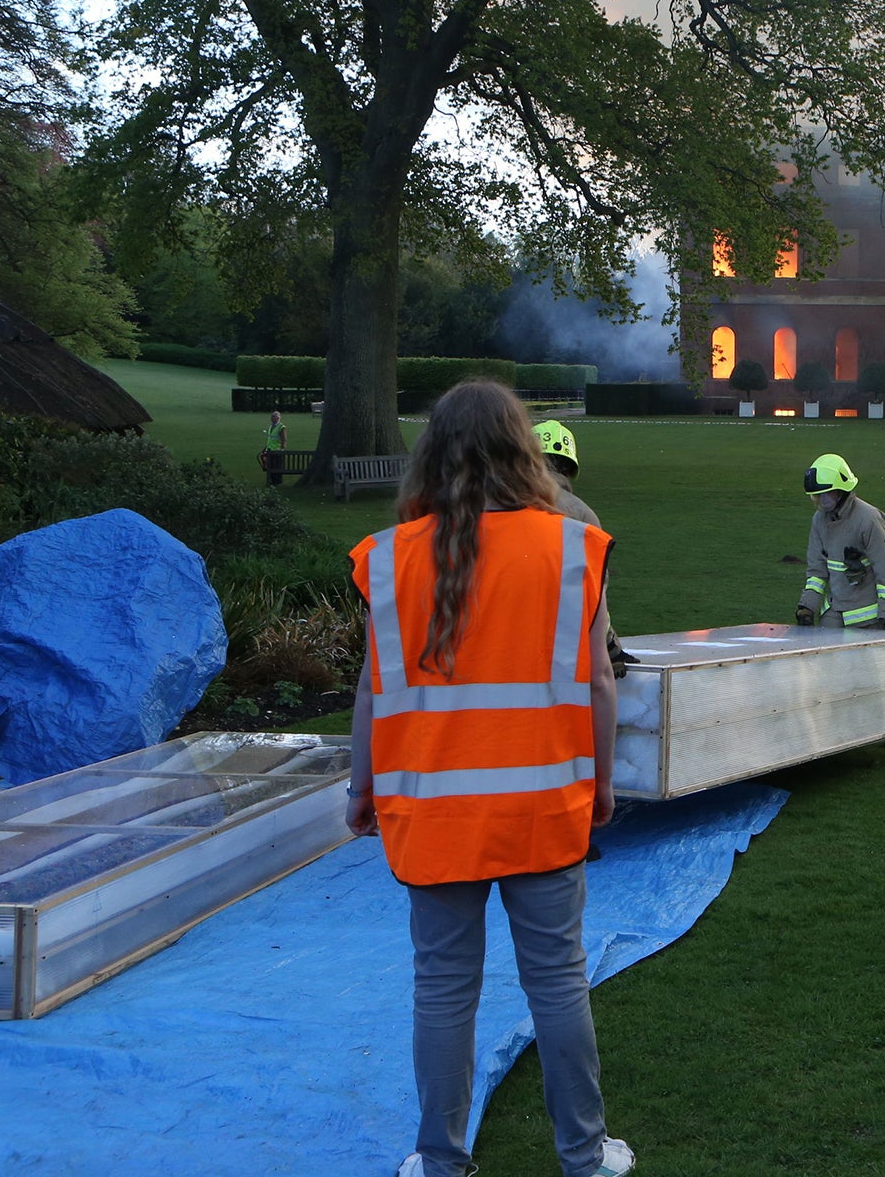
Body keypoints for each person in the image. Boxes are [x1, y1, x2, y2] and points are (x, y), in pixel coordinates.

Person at [345, 381, 635, 1177]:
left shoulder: (389, 558)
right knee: (557, 981)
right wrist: (603, 785)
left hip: (430, 814)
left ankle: (441, 1161)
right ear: (526, 449)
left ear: (429, 455)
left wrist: (360, 792)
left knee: (443, 989)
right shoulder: (573, 548)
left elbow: (373, 689)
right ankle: (583, 1155)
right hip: (545, 806)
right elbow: (601, 683)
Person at [535, 420, 633, 670]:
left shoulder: (487, 503)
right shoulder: (582, 515)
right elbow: (595, 593)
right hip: (559, 648)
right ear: (569, 468)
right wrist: (612, 650)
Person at [795, 453, 885, 630]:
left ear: (841, 491)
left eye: (826, 493)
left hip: (868, 619)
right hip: (833, 614)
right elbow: (816, 570)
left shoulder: (869, 519)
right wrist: (807, 606)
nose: (822, 500)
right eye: (818, 495)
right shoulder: (819, 520)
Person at [262, 410, 287, 486]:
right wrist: (266, 447)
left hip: (277, 450)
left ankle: (278, 482)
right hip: (270, 449)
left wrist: (282, 448)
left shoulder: (281, 427)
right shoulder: (271, 426)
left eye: (274, 416)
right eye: (271, 416)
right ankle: (272, 481)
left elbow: (284, 439)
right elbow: (270, 438)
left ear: (278, 418)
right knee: (270, 466)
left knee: (277, 466)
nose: (272, 418)